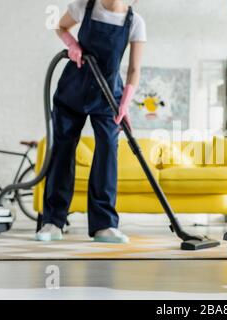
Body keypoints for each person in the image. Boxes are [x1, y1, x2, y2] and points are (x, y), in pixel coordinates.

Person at [36, 0, 146, 243]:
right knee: (62, 152)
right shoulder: (84, 6)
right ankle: (53, 221)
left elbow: (134, 70)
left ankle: (104, 225)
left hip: (108, 95)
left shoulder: (135, 22)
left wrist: (126, 102)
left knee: (108, 153)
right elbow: (61, 27)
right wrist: (72, 44)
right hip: (73, 89)